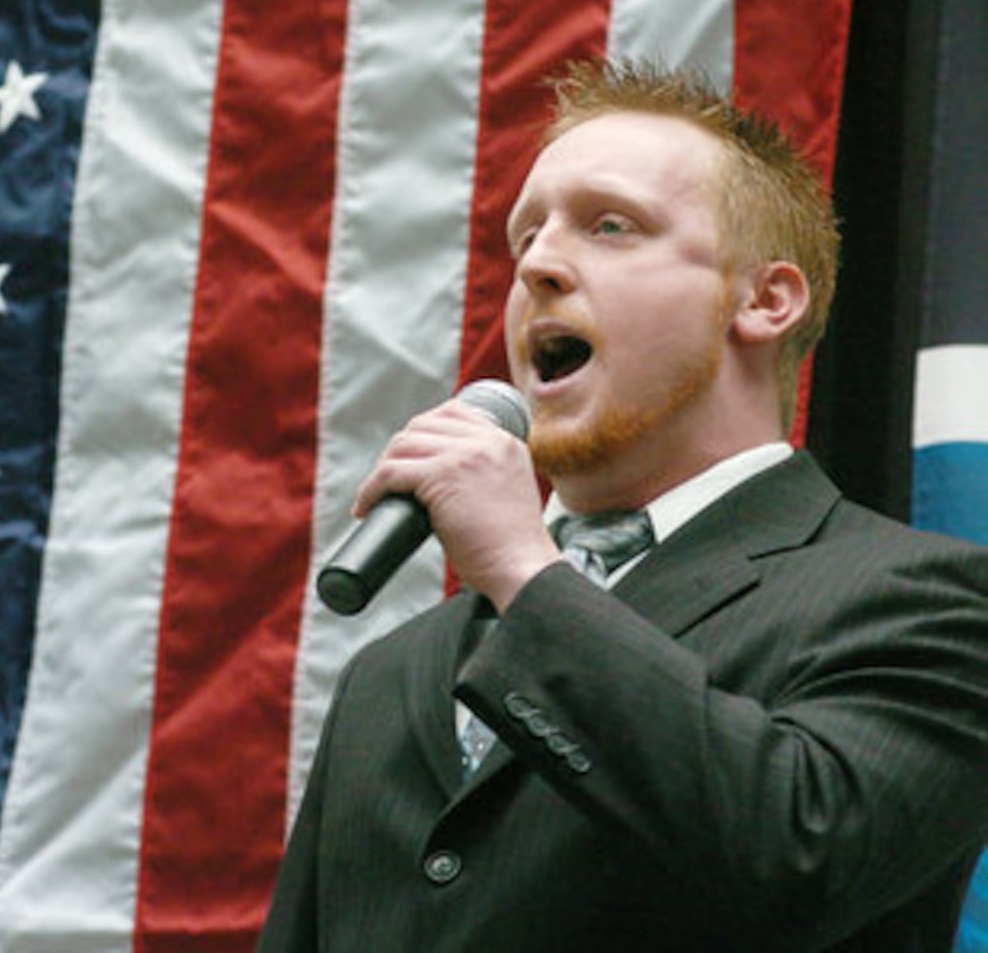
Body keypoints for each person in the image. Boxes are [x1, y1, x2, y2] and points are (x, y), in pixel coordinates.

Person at [258, 59, 988, 951]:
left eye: (610, 226)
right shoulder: (393, 675)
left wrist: (527, 575)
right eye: (524, 238)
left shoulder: (927, 601)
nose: (539, 266)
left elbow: (802, 857)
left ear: (764, 299)